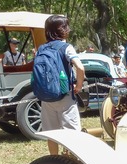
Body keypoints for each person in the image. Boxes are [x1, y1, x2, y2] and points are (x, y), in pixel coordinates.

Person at [39, 15, 85, 156]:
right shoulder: (66, 47)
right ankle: (70, 162)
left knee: (52, 133)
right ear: (63, 30)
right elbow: (80, 68)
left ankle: (54, 161)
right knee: (71, 132)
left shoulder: (41, 48)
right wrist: (78, 85)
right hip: (65, 94)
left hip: (46, 97)